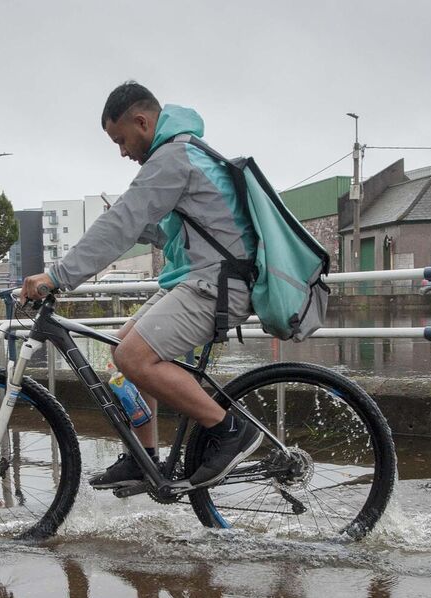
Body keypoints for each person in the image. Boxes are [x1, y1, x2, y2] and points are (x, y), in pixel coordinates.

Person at [21, 81, 260, 489]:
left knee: (135, 358)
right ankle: (143, 455)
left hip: (220, 285)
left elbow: (120, 225)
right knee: (122, 350)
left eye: (121, 139)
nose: (122, 151)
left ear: (142, 121)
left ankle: (230, 430)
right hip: (203, 280)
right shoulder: (182, 153)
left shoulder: (172, 158)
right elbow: (161, 229)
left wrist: (57, 276)